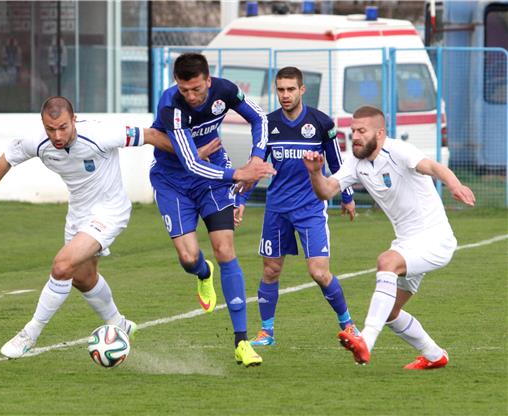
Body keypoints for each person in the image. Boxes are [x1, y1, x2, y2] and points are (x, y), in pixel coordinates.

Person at [0, 96, 173, 359]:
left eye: (63, 127)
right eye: (51, 129)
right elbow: (7, 157)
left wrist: (193, 158)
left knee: (62, 266)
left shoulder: (101, 134)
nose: (57, 135)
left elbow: (152, 135)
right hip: (78, 215)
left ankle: (30, 334)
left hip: (110, 211)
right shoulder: (37, 142)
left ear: (74, 120)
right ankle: (119, 323)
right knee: (82, 278)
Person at [303, 105, 475, 369]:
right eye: (352, 131)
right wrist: (315, 172)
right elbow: (326, 192)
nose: (355, 136)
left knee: (387, 262)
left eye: (362, 131)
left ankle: (365, 341)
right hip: (408, 243)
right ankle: (434, 355)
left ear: (380, 133)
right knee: (390, 312)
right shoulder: (355, 162)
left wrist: (455, 184)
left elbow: (433, 166)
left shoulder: (398, 151)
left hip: (435, 238)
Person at [151, 53, 275, 367]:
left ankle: (242, 341)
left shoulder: (225, 90)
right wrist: (239, 174)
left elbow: (260, 118)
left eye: (196, 89)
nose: (190, 96)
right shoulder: (171, 107)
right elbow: (191, 163)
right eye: (184, 89)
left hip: (213, 178)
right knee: (189, 257)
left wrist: (257, 158)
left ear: (208, 80)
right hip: (173, 182)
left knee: (225, 249)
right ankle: (202, 273)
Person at [235, 67, 359, 347]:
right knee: (270, 271)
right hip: (277, 210)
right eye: (280, 90)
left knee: (319, 272)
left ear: (302, 90)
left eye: (291, 89)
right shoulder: (268, 125)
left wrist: (347, 196)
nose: (285, 95)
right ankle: (266, 333)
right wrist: (241, 200)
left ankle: (348, 325)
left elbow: (338, 165)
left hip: (311, 209)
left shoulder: (321, 123)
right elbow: (257, 165)